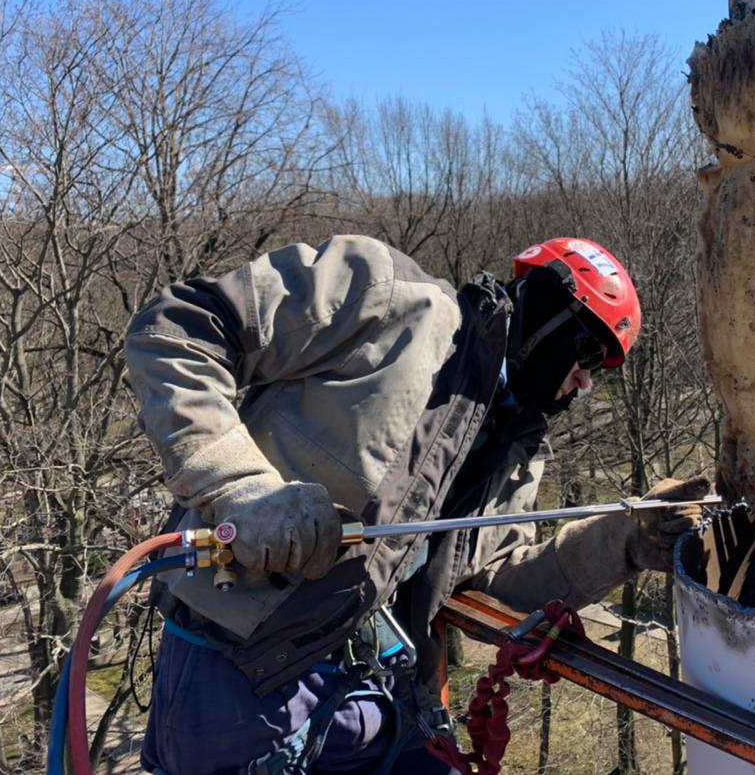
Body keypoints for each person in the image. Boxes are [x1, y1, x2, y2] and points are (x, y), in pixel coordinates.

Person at [124, 235, 709, 775]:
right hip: (240, 673)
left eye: (599, 372)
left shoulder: (518, 448)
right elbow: (178, 330)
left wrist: (623, 540)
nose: (583, 382)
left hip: (381, 684)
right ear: (548, 306)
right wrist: (240, 485)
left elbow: (493, 583)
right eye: (587, 351)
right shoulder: (384, 294)